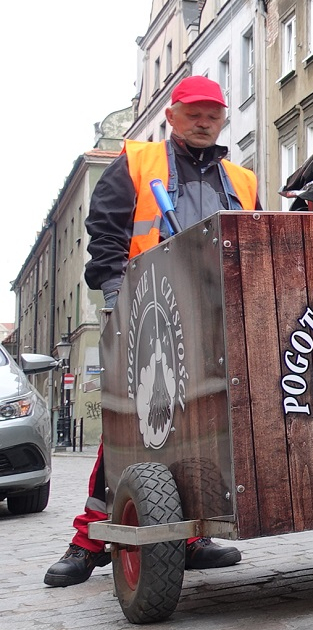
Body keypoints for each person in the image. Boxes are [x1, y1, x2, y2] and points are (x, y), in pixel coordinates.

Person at [44, 76, 259, 586]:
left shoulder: (243, 180)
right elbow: (106, 230)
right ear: (172, 114)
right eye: (194, 113)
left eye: (213, 114)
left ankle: (188, 535)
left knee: (201, 424)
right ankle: (91, 537)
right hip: (149, 313)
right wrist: (116, 295)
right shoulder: (138, 162)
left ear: (224, 119)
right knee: (134, 425)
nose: (204, 121)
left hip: (216, 317)